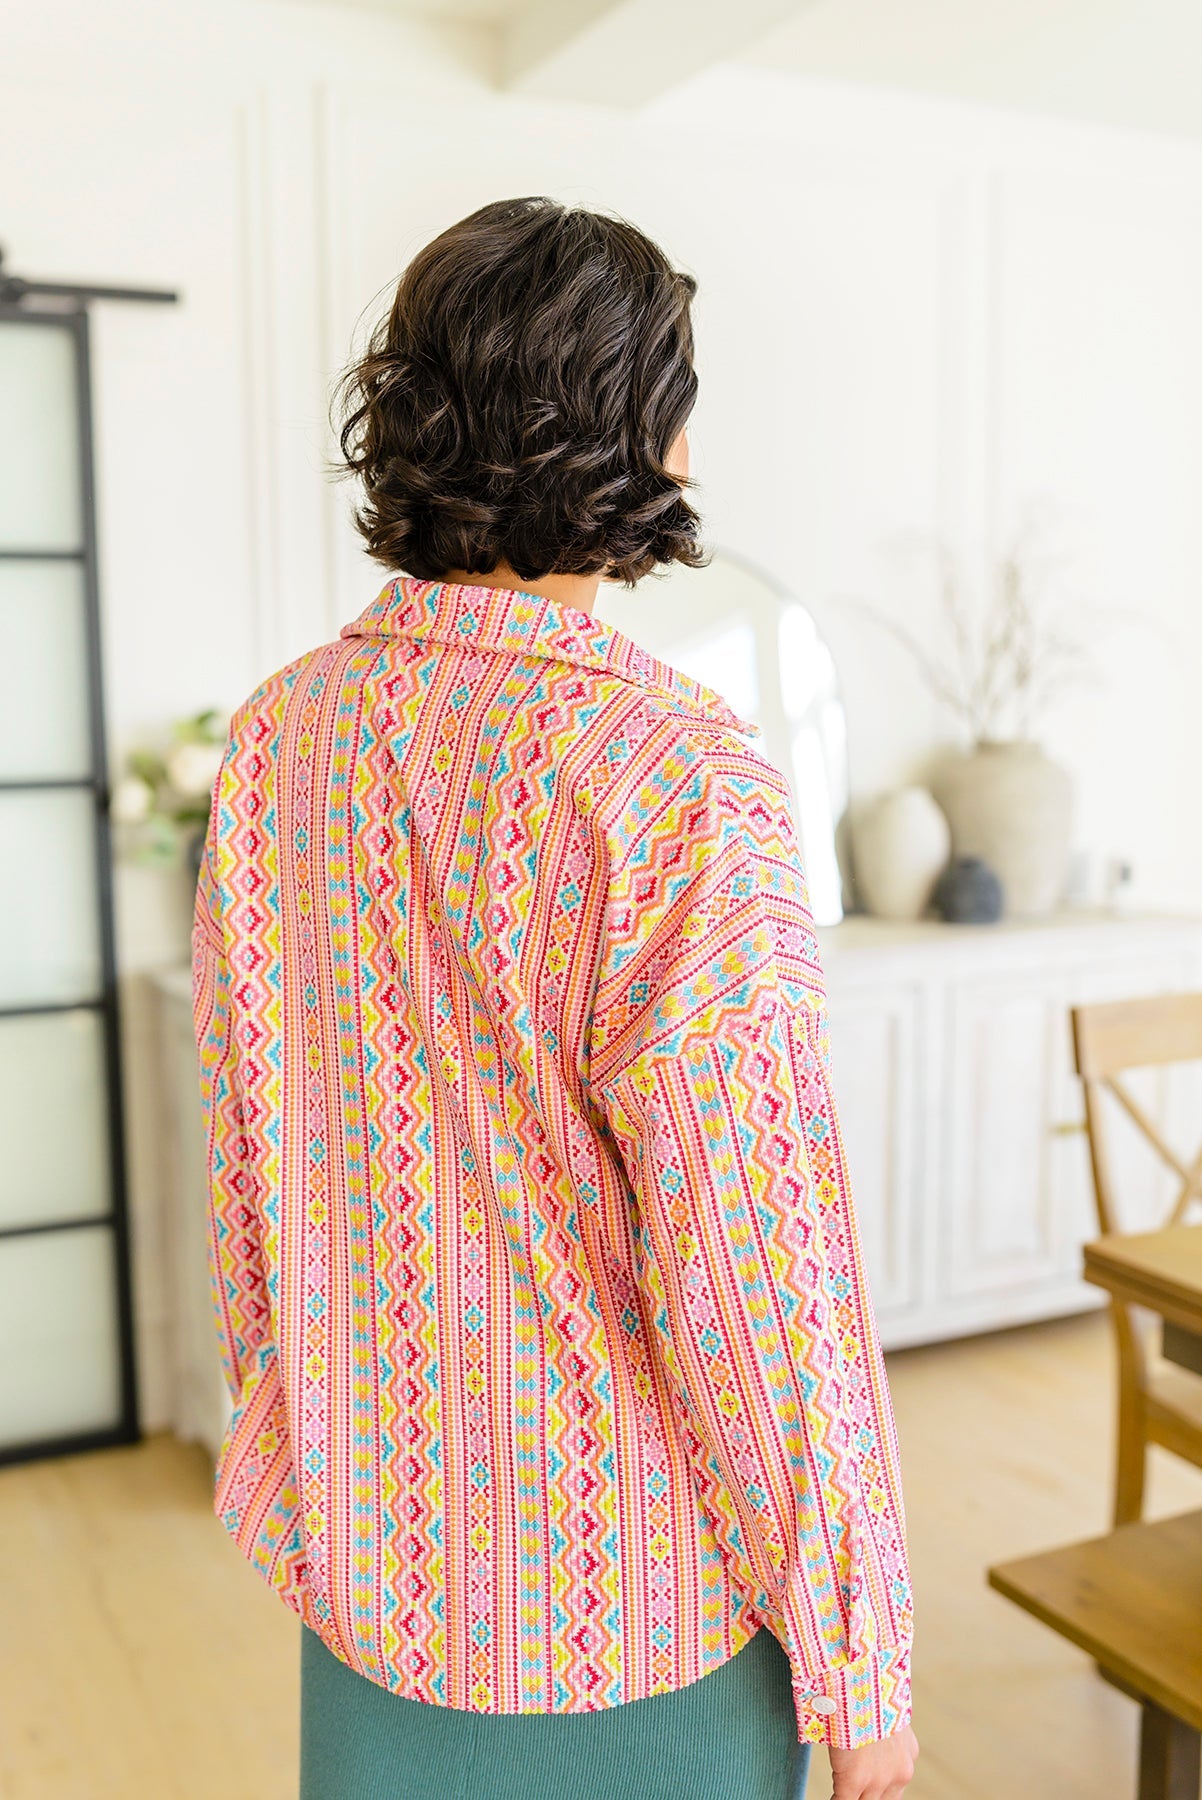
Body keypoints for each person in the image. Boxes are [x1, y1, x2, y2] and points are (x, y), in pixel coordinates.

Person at [191, 196, 917, 1800]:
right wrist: (857, 1654)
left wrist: (301, 1459)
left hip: (369, 1579)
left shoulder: (277, 741)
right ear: (640, 434)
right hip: (640, 1613)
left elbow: (250, 1171)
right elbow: (758, 1262)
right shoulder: (674, 771)